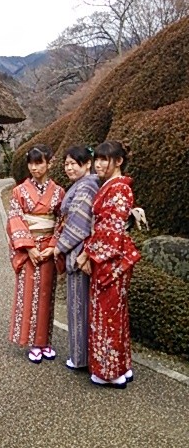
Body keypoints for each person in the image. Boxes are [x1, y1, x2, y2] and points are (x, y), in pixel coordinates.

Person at [76, 140, 141, 389]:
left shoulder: (119, 189)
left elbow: (110, 231)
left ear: (118, 161)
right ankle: (121, 367)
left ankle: (109, 372)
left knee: (107, 315)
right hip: (110, 256)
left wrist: (87, 255)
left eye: (105, 159)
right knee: (114, 313)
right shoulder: (113, 187)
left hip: (109, 259)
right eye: (98, 159)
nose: (99, 164)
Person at [7, 145, 65, 363]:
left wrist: (53, 245)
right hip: (29, 247)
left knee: (46, 294)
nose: (34, 168)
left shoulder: (58, 192)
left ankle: (45, 341)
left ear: (49, 163)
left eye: (39, 163)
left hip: (48, 248)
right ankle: (32, 342)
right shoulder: (19, 191)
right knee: (29, 293)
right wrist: (29, 247)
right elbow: (14, 218)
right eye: (31, 163)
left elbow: (61, 220)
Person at [54, 145, 99, 370]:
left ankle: (80, 357)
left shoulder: (87, 186)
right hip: (80, 249)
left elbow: (79, 222)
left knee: (79, 304)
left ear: (87, 164)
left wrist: (59, 247)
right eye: (66, 164)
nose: (69, 168)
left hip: (80, 250)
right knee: (81, 304)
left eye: (74, 163)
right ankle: (86, 355)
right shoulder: (82, 185)